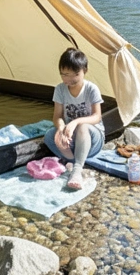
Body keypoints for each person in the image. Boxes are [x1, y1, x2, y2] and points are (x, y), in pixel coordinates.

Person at [43, 47, 103, 190]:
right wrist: (62, 129)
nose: (68, 79)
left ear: (84, 71)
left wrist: (75, 122)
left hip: (93, 138)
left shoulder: (91, 89)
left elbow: (97, 117)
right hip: (72, 140)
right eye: (64, 74)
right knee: (49, 136)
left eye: (74, 75)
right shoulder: (60, 89)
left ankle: (76, 170)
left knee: (82, 127)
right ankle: (74, 159)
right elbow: (57, 116)